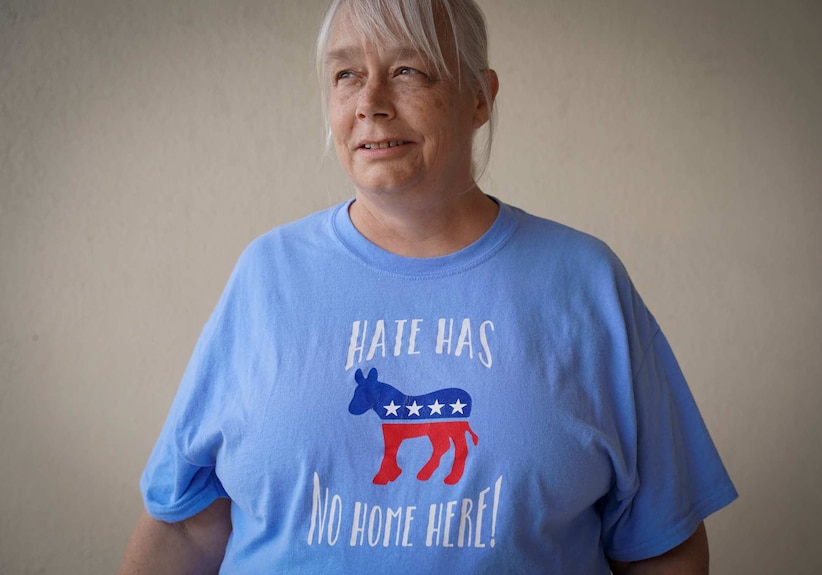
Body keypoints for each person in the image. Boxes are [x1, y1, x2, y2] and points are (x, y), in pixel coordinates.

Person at [119, 0, 737, 573]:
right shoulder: (265, 277)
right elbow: (185, 527)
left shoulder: (586, 284)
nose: (370, 102)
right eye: (346, 76)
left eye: (408, 69)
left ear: (478, 97)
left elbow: (663, 543)